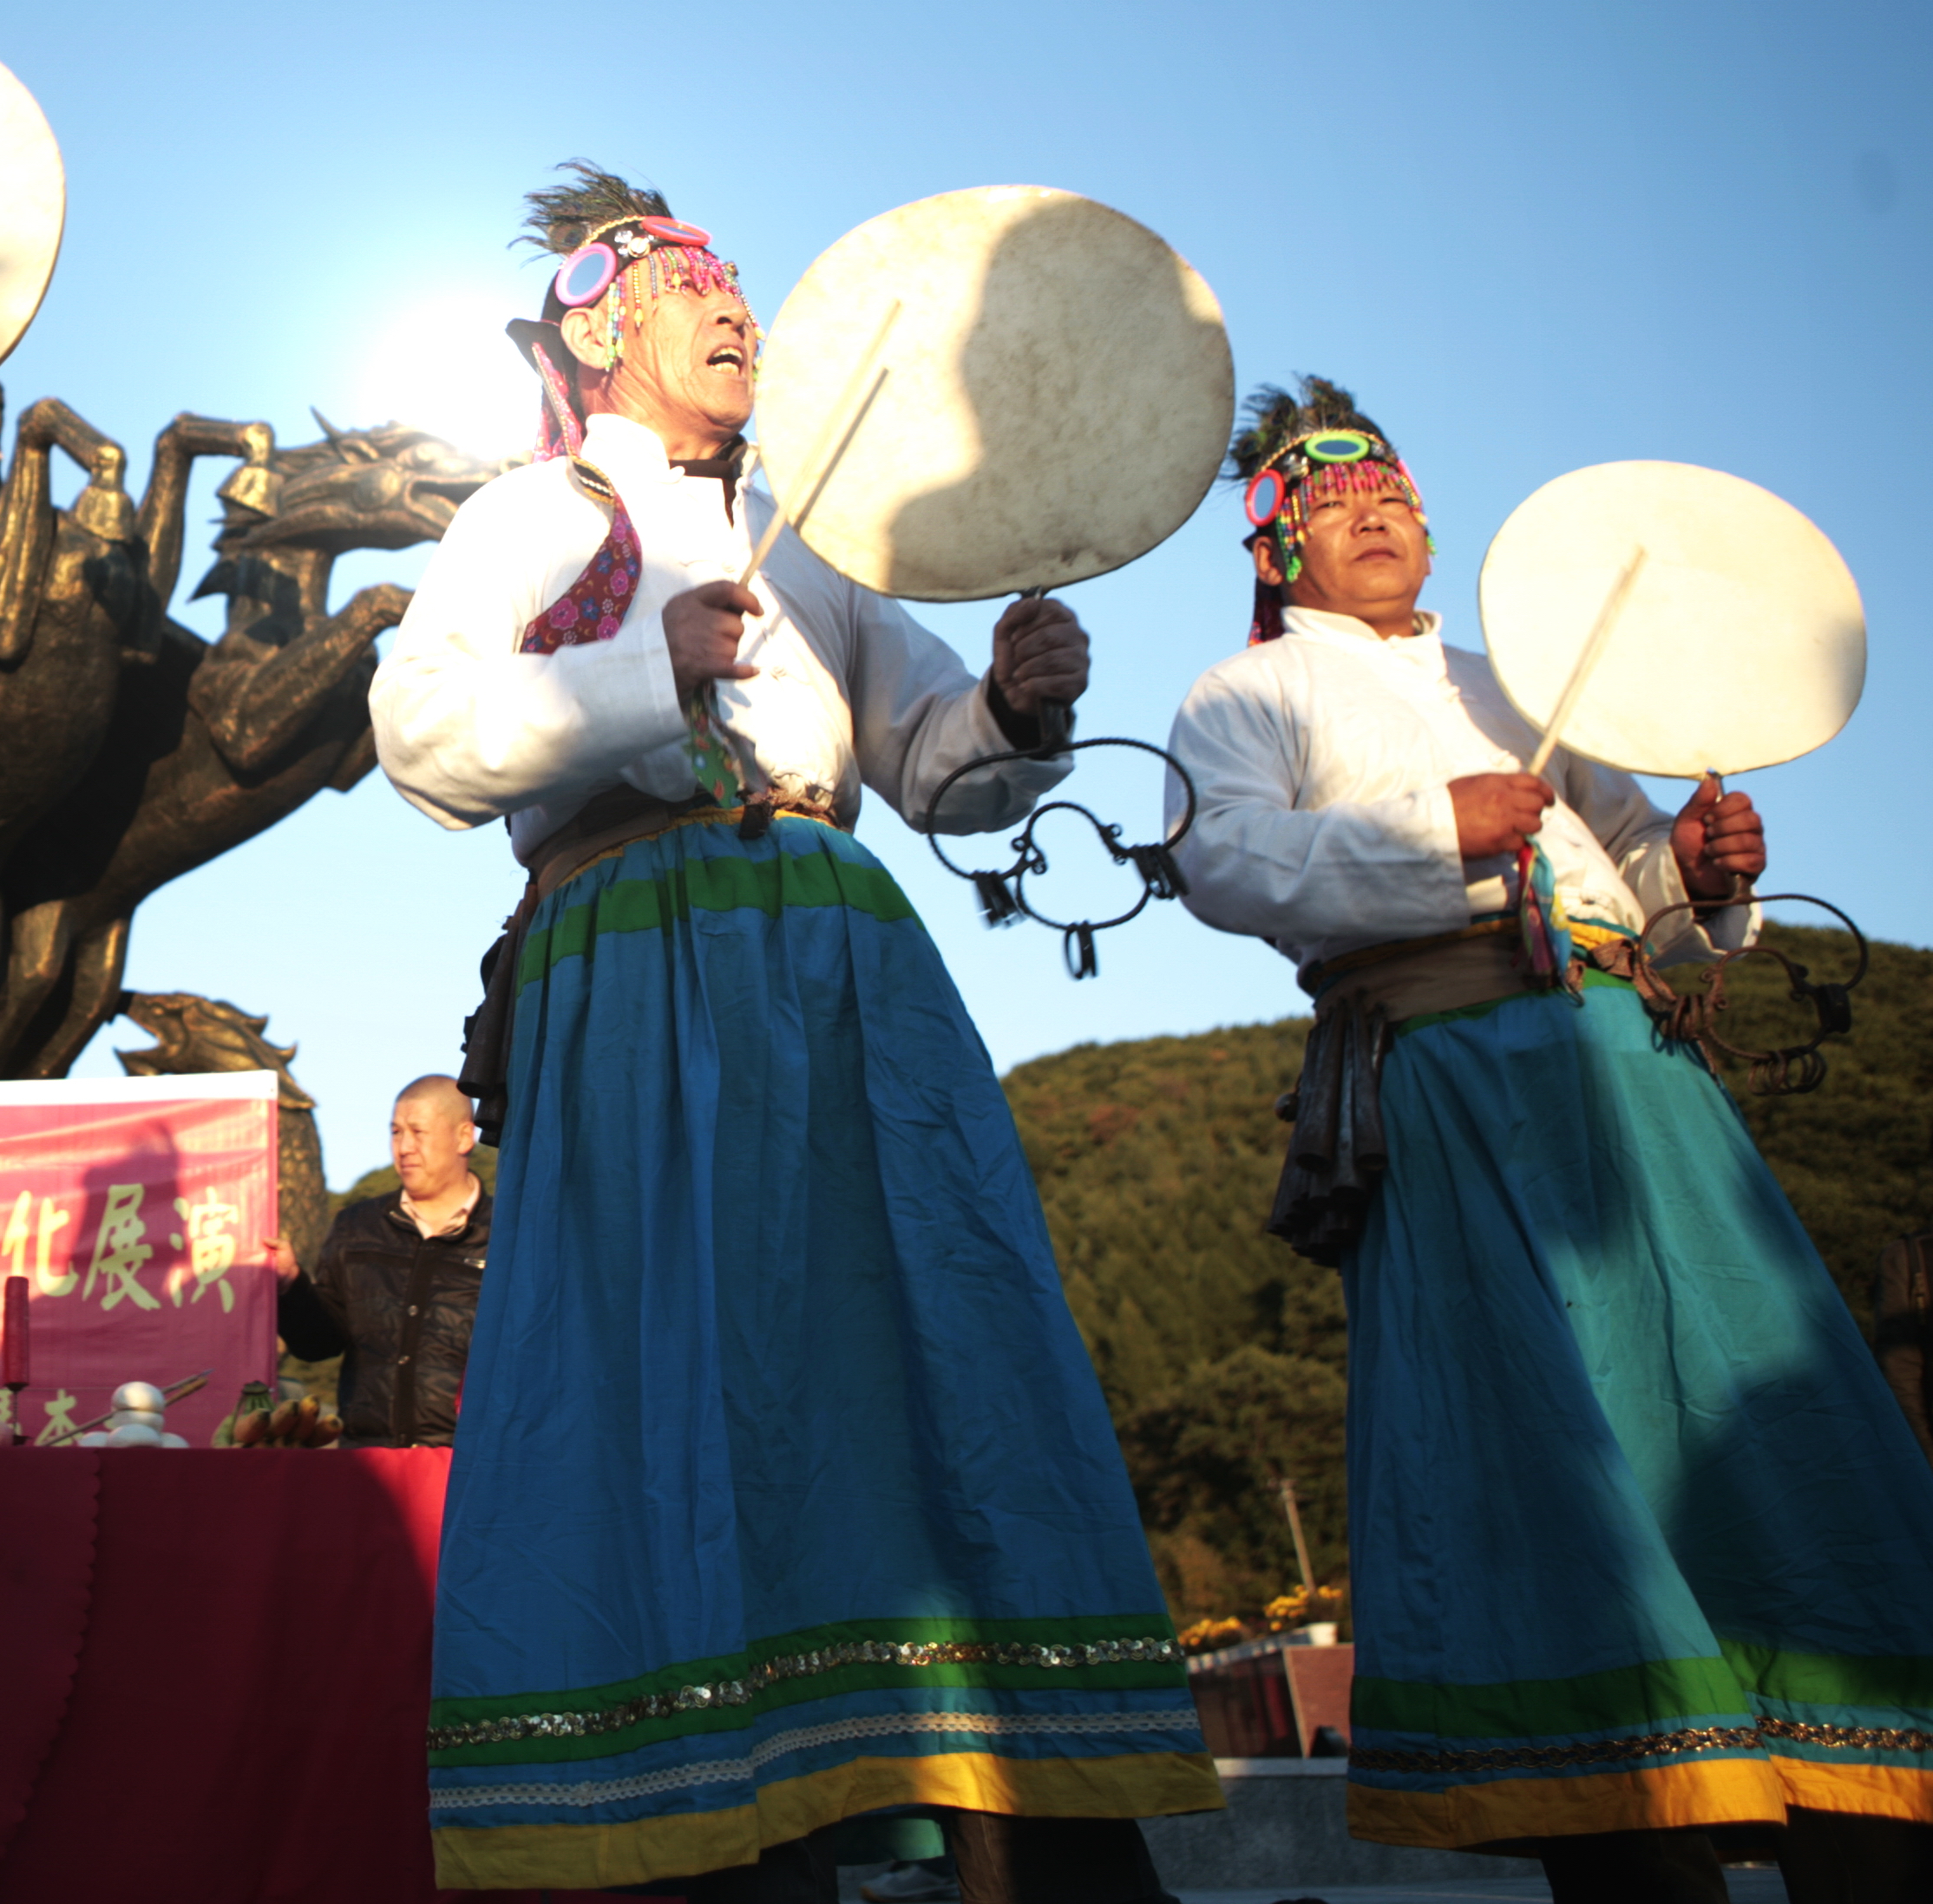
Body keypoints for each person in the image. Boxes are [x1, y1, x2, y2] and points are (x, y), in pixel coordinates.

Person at [369, 167, 1217, 1901]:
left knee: (918, 1357)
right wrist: (639, 674)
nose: (736, 299)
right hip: (634, 978)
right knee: (678, 1376)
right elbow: (419, 733)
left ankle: (1001, 1794)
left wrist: (1014, 710)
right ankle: (704, 1818)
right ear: (599, 325)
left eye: (736, 271)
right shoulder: (535, 518)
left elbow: (934, 769)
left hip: (836, 970)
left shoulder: (818, 536)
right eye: (693, 275)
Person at [1167, 380, 1933, 1901]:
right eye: (1329, 500)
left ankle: (1846, 1788)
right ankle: (1621, 1818)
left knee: (1756, 1424)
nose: (1372, 510)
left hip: (1633, 1068)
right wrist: (1423, 830)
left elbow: (1656, 907)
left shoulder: (1518, 680)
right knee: (1542, 1455)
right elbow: (1216, 858)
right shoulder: (1242, 697)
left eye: (1389, 487)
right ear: (1273, 546)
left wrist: (1704, 881)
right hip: (1451, 1082)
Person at [269, 1075, 492, 1447]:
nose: (404, 1147)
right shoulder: (357, 1226)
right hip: (368, 1459)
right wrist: (292, 1285)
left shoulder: (508, 1236)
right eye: (395, 1132)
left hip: (467, 1466)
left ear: (464, 1137)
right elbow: (318, 1345)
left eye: (418, 1132)